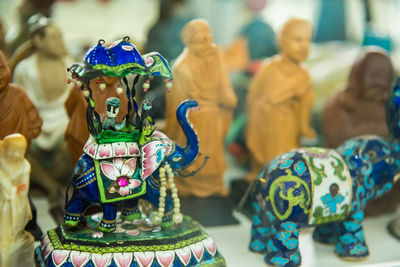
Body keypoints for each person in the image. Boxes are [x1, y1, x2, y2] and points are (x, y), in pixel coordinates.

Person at [164, 19, 237, 197]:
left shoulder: (215, 60)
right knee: (194, 155)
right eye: (200, 40)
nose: (206, 45)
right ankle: (187, 183)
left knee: (213, 156)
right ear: (189, 42)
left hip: (214, 119)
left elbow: (227, 94)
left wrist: (220, 64)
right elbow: (176, 105)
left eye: (208, 39)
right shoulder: (182, 67)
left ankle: (213, 184)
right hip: (193, 120)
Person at [245, 18, 315, 182]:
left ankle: (280, 181)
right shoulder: (269, 68)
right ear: (281, 41)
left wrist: (304, 127)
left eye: (308, 40)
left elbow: (306, 106)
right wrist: (263, 109)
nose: (304, 45)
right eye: (297, 40)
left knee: (285, 159)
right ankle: (260, 173)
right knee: (265, 161)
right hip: (266, 124)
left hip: (288, 126)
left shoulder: (303, 75)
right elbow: (253, 97)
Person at [322, 49, 395, 148]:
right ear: (357, 75)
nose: (379, 82)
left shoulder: (392, 103)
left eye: (385, 75)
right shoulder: (340, 101)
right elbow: (341, 139)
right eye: (374, 74)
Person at [0, 134, 35, 267]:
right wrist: (10, 189)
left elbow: (23, 188)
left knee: (17, 219)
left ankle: (12, 237)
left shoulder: (25, 166)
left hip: (17, 201)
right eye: (13, 151)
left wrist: (13, 190)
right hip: (4, 200)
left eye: (20, 152)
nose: (16, 154)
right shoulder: (2, 161)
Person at [0, 50, 42, 145]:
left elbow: (32, 114)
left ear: (8, 66)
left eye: (1, 69)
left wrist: (32, 128)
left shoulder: (18, 93)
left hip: (19, 149)